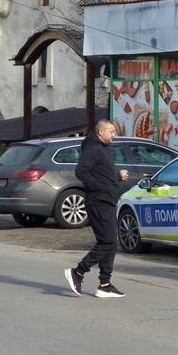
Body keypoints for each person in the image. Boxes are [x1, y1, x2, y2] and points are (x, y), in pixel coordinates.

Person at [64, 119, 129, 298]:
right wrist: (101, 186)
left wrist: (115, 177)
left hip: (106, 200)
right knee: (107, 243)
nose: (114, 136)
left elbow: (99, 174)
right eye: (111, 132)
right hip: (99, 201)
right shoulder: (93, 148)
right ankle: (77, 272)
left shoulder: (100, 149)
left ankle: (105, 284)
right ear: (101, 132)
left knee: (111, 243)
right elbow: (81, 171)